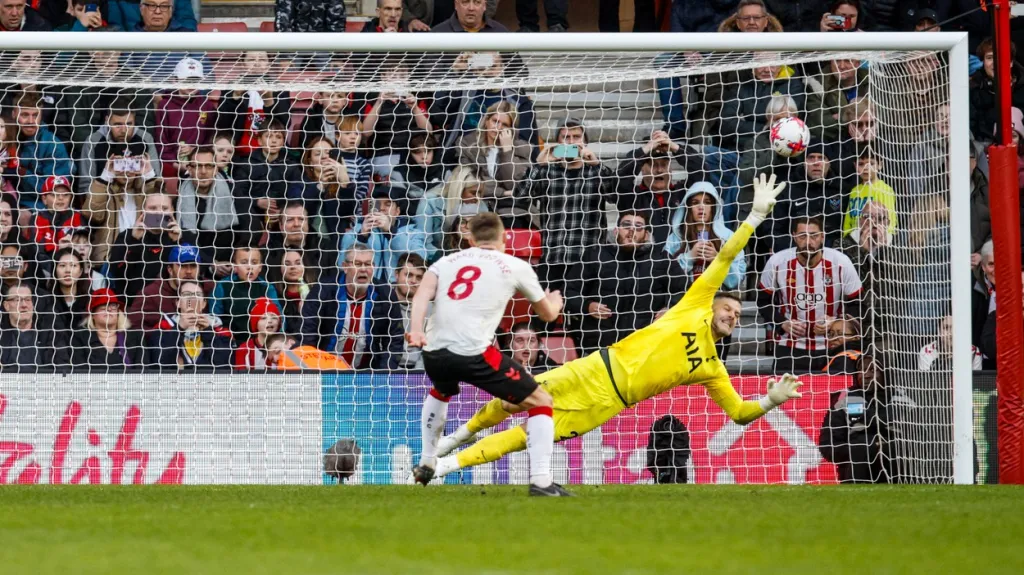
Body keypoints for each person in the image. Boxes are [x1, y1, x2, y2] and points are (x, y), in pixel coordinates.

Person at [428, 175, 803, 483]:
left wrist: (771, 401)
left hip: (608, 403)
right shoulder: (693, 305)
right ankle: (456, 438)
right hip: (595, 366)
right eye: (729, 307)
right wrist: (754, 216)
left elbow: (738, 413)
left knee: (523, 438)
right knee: (514, 399)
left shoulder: (711, 368)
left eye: (738, 315)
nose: (733, 315)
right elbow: (724, 256)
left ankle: (443, 466)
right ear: (715, 303)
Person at [405, 212, 566, 495]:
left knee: (441, 389)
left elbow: (420, 296)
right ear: (504, 238)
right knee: (541, 400)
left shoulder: (444, 262)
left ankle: (427, 461)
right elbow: (548, 315)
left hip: (433, 351)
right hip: (472, 352)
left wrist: (416, 330)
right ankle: (542, 482)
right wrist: (555, 302)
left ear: (468, 238)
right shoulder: (514, 265)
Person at [514, 118, 614, 292]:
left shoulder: (595, 170)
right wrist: (537, 166)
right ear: (557, 142)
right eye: (566, 137)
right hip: (554, 256)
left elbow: (615, 196)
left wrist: (597, 164)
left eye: (576, 137)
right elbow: (520, 198)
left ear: (585, 142)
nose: (571, 142)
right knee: (546, 314)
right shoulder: (546, 170)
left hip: (589, 258)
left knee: (585, 313)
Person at [567, 210, 685, 355]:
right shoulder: (595, 255)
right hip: (599, 346)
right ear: (616, 230)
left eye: (638, 227)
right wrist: (587, 306)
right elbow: (568, 292)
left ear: (646, 234)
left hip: (645, 346)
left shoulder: (661, 259)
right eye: (626, 225)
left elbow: (686, 291)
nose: (631, 231)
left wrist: (670, 308)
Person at [759, 216, 863, 373]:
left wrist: (836, 321)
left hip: (832, 346)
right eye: (802, 236)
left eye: (814, 235)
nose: (808, 242)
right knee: (784, 396)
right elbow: (763, 302)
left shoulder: (841, 262)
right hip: (789, 347)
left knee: (834, 395)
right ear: (794, 236)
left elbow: (858, 303)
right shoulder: (777, 262)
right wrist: (782, 323)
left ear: (822, 236)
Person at [82, 99, 160, 262]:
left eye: (129, 124)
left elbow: (161, 217)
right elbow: (91, 211)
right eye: (117, 124)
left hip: (145, 254)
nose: (124, 130)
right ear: (107, 121)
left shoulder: (145, 139)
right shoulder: (94, 141)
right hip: (108, 206)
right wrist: (107, 176)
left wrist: (148, 174)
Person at [818, 354, 906, 483]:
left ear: (886, 372)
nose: (866, 375)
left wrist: (883, 447)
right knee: (862, 446)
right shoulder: (842, 401)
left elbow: (920, 442)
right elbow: (828, 446)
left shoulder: (903, 400)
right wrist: (867, 448)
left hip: (897, 469)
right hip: (856, 470)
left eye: (873, 370)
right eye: (861, 370)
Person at [300, 243, 386, 368]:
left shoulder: (385, 294)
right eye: (357, 264)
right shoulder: (323, 291)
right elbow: (307, 333)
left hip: (368, 374)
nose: (363, 269)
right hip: (325, 370)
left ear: (374, 267)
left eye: (368, 264)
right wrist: (314, 368)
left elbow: (394, 338)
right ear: (345, 267)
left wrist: (383, 374)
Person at [665, 182, 745, 292]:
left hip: (718, 301)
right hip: (684, 300)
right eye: (695, 202)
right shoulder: (676, 237)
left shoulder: (729, 237)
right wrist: (689, 257)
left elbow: (736, 280)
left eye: (707, 202)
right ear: (688, 207)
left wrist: (718, 261)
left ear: (714, 207)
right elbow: (664, 276)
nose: (701, 207)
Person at [340, 185, 428, 284]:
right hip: (366, 289)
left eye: (387, 204)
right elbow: (341, 265)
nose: (381, 208)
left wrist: (391, 232)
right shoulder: (354, 232)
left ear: (397, 211)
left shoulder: (413, 233)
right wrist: (362, 236)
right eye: (377, 204)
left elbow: (420, 262)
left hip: (397, 291)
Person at [107, 191, 182, 301]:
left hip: (173, 302)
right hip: (134, 304)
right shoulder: (127, 235)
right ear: (143, 211)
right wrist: (134, 241)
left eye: (164, 208)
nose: (159, 213)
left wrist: (177, 242)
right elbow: (116, 271)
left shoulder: (184, 235)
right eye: (152, 208)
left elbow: (196, 271)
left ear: (172, 211)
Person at [145, 280, 235, 368]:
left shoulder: (221, 331)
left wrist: (208, 332)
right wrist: (179, 328)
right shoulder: (163, 328)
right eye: (187, 295)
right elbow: (158, 362)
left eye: (197, 295)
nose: (192, 299)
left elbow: (225, 365)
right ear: (178, 302)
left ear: (204, 303)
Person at [155, 58, 217, 178]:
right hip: (172, 163)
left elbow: (211, 136)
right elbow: (161, 140)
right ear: (175, 80)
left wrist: (195, 150)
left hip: (201, 162)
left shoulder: (206, 104)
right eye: (186, 79)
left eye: (195, 80)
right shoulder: (165, 105)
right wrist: (176, 164)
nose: (191, 84)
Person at [176, 145, 238, 265]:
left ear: (216, 169)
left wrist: (236, 260)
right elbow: (186, 240)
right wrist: (211, 264)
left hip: (231, 262)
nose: (203, 171)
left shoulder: (233, 192)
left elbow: (250, 226)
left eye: (208, 166)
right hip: (194, 264)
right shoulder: (179, 201)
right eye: (197, 166)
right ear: (189, 169)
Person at [127, 243, 209, 333]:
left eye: (193, 266)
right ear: (170, 269)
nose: (189, 271)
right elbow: (133, 330)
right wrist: (168, 330)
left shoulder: (209, 287)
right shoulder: (150, 295)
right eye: (183, 266)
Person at [14, 91, 73, 212]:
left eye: (35, 115)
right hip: (9, 201)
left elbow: (56, 192)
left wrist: (24, 173)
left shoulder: (53, 145)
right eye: (25, 115)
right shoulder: (5, 138)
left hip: (41, 206)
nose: (31, 121)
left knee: (24, 216)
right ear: (14, 114)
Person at [211, 246, 282, 344]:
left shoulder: (267, 288)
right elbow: (214, 318)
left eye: (254, 262)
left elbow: (279, 318)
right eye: (244, 262)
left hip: (262, 343)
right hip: (230, 343)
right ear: (235, 266)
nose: (250, 267)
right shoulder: (223, 286)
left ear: (260, 267)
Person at [232, 121, 290, 237]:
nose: (273, 141)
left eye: (278, 137)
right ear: (259, 140)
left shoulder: (291, 165)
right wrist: (257, 202)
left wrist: (283, 212)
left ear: (283, 142)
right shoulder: (246, 164)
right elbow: (237, 194)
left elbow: (297, 193)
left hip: (281, 217)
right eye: (268, 136)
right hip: (252, 216)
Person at [370, 252, 427, 370]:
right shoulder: (379, 301)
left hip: (417, 373)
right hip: (382, 370)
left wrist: (417, 375)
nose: (413, 281)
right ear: (397, 275)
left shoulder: (430, 310)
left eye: (419, 277)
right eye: (409, 275)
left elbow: (429, 352)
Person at [0, 281, 71, 367]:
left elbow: (62, 366)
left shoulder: (51, 334)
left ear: (33, 304)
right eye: (17, 300)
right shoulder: (2, 335)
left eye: (27, 299)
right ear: (6, 306)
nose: (24, 305)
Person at [70, 288, 145, 367]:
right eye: (103, 306)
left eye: (113, 306)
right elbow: (79, 372)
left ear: (118, 313)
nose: (109, 309)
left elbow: (144, 371)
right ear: (92, 315)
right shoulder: (80, 337)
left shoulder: (135, 336)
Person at [842, 149, 897, 238]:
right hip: (854, 238)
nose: (866, 168)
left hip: (875, 238)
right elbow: (848, 218)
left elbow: (890, 219)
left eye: (871, 164)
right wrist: (845, 236)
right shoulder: (854, 190)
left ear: (880, 165)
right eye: (861, 164)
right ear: (855, 166)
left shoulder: (884, 189)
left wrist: (885, 238)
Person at [32, 176, 84, 255]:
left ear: (71, 198)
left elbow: (83, 247)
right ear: (44, 199)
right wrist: (59, 250)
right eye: (54, 194)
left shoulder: (77, 216)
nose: (60, 198)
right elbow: (37, 251)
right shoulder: (37, 218)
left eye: (65, 194)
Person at [919, 315, 983, 372]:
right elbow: (926, 383)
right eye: (946, 328)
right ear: (939, 331)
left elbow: (976, 383)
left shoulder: (974, 351)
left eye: (955, 327)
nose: (951, 333)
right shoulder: (926, 352)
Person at [234, 297, 283, 369]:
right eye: (263, 318)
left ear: (279, 323)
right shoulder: (244, 349)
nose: (269, 321)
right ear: (255, 324)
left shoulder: (287, 345)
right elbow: (240, 378)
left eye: (274, 317)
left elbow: (303, 369)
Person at [431, 0, 506, 32]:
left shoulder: (501, 32)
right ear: (456, 5)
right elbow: (428, 65)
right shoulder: (438, 33)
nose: (471, 8)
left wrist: (500, 64)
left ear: (484, 6)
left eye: (477, 2)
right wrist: (454, 65)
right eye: (465, 2)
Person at [275, 0, 346, 32]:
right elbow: (283, 23)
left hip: (323, 45)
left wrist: (337, 56)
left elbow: (337, 23)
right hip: (294, 46)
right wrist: (285, 55)